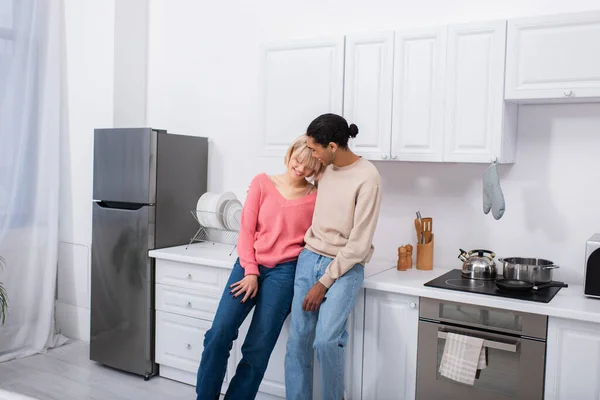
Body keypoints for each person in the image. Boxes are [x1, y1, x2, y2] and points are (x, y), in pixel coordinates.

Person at [195, 135, 324, 400]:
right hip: (247, 265)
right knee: (219, 334)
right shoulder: (262, 183)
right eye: (299, 160)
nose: (302, 168)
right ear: (290, 154)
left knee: (257, 349)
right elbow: (246, 230)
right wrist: (251, 270)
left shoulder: (316, 198)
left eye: (310, 166)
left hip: (285, 273)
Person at [284, 113, 382, 400]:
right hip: (309, 258)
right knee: (298, 342)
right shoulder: (324, 168)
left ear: (332, 147)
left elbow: (359, 245)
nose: (311, 154)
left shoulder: (368, 178)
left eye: (314, 148)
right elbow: (296, 165)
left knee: (326, 341)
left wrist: (324, 282)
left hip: (344, 268)